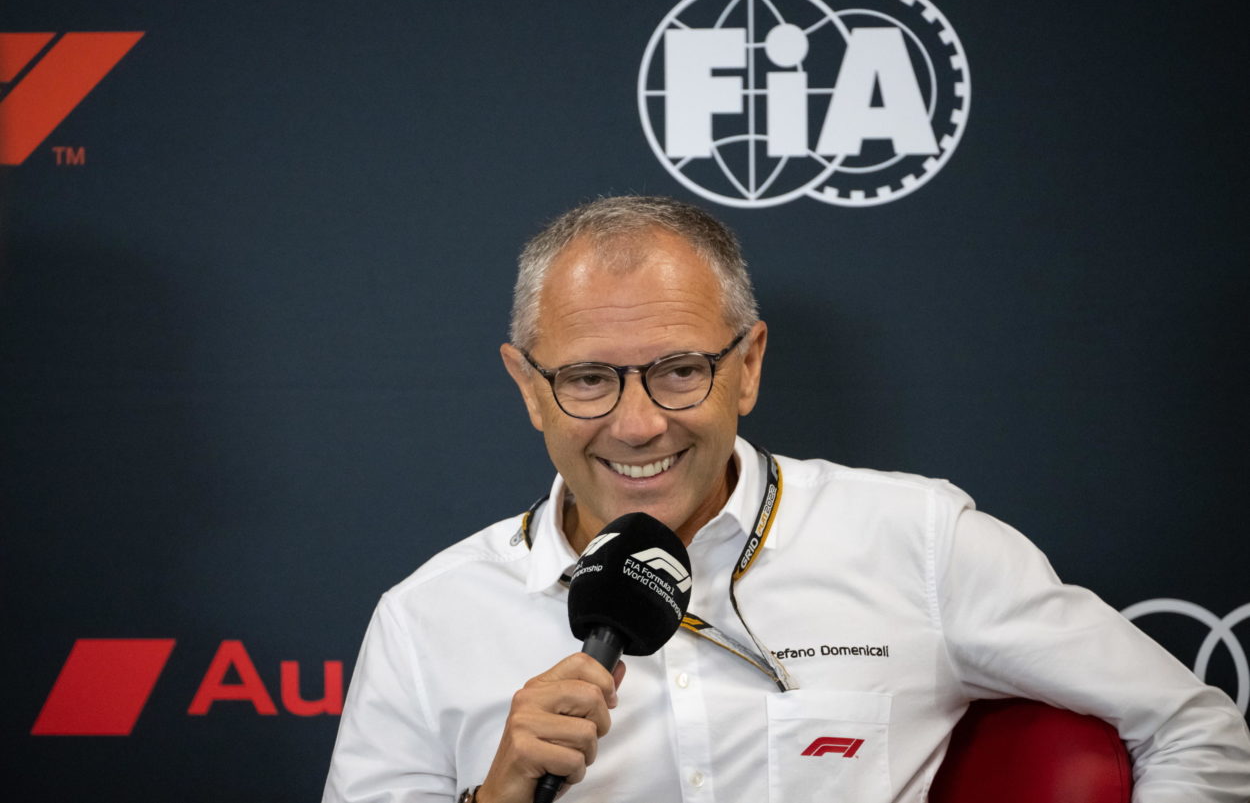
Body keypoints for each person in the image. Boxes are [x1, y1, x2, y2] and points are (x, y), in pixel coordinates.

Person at [323, 196, 1250, 802]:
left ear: (750, 364)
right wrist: (498, 793)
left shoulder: (916, 540)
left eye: (680, 369)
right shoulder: (427, 619)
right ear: (529, 388)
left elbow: (1194, 728)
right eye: (589, 379)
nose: (639, 424)